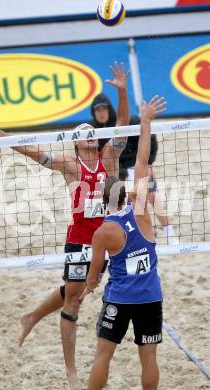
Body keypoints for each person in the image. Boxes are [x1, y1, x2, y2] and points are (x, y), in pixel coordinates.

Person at [0, 62, 130, 390]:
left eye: (91, 133)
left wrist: (122, 91)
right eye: (81, 134)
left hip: (108, 238)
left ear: (96, 139)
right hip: (81, 237)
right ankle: (71, 373)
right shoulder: (71, 165)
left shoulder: (109, 157)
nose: (87, 135)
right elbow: (32, 152)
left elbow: (124, 122)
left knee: (80, 290)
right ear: (76, 142)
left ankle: (31, 316)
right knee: (75, 299)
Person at [79, 95, 166, 390]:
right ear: (125, 192)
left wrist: (89, 287)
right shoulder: (141, 211)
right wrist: (145, 121)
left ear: (103, 201)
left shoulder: (103, 232)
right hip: (151, 296)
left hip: (120, 299)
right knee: (149, 357)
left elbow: (94, 274)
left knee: (103, 355)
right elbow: (142, 160)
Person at [90, 92, 177, 244]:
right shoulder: (93, 130)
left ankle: (169, 231)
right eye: (98, 110)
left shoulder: (128, 121)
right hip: (117, 169)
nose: (102, 112)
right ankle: (123, 234)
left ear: (109, 109)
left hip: (137, 163)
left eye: (104, 109)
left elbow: (149, 137)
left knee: (151, 194)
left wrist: (149, 162)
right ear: (94, 112)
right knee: (114, 201)